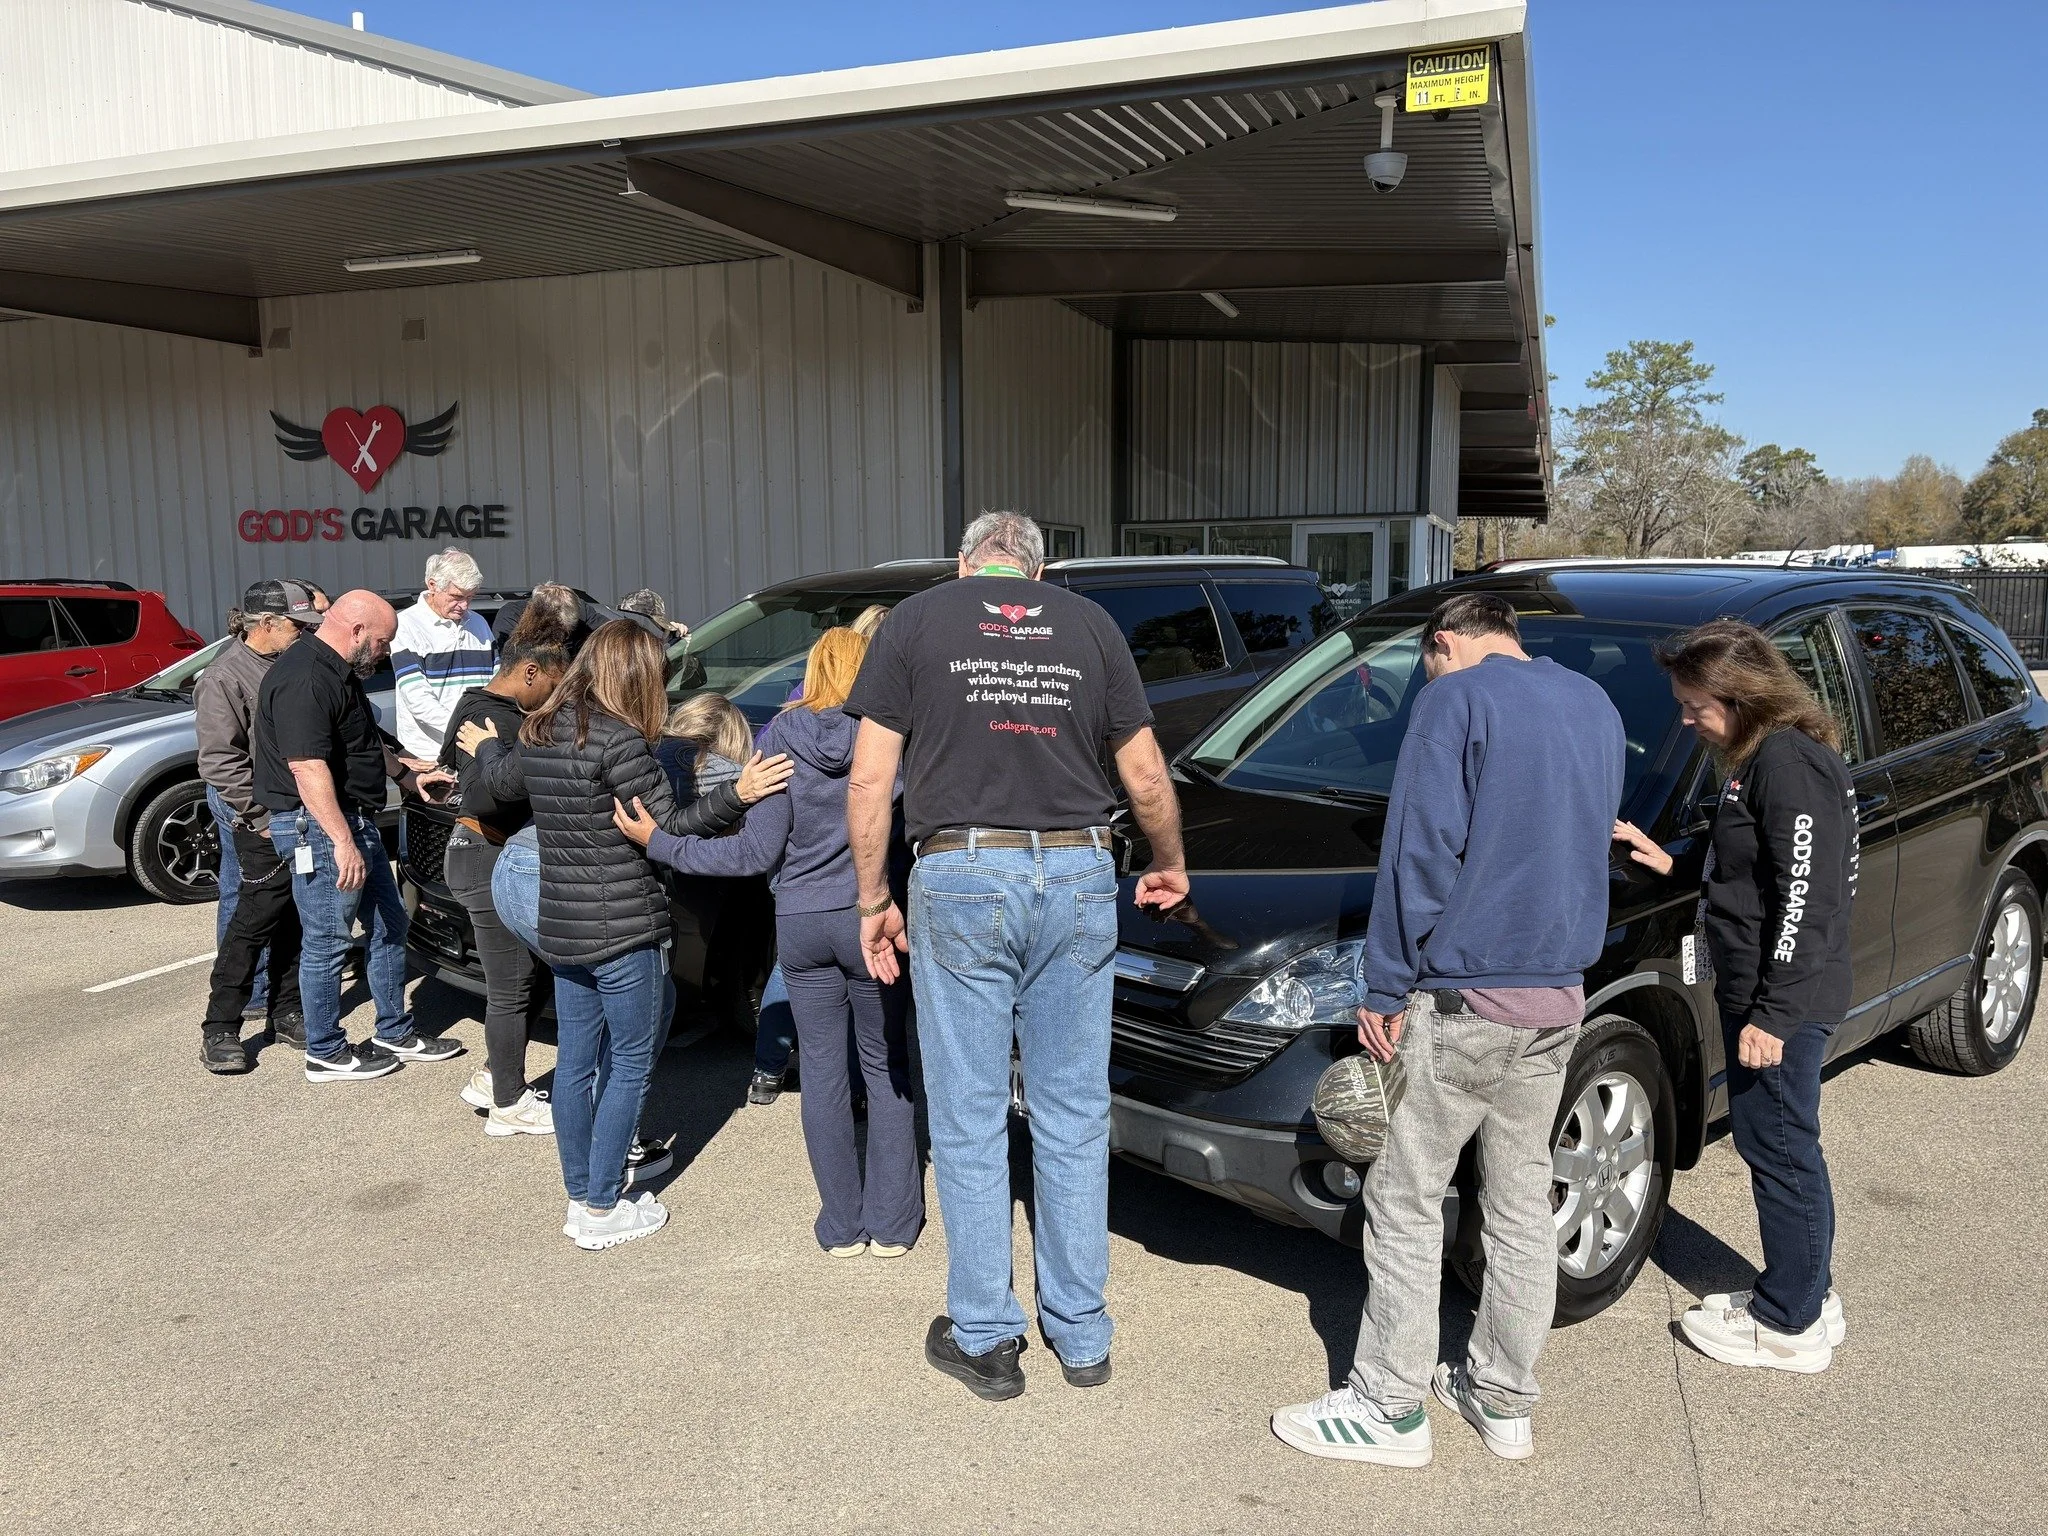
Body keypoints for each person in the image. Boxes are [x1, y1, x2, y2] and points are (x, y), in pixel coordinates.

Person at [1271, 592, 1625, 1468]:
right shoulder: (1594, 703)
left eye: (1425, 661)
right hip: (1558, 997)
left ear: (1443, 645)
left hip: (1464, 995)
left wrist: (1385, 984)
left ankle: (1387, 1406)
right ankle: (1504, 1399)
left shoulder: (1453, 699)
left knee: (1404, 1198)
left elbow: (1419, 852)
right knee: (1517, 1203)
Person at [845, 510, 1188, 1400]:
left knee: (967, 1114)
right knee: (1073, 1111)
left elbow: (871, 777)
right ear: (1038, 574)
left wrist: (873, 898)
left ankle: (988, 1336)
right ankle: (1082, 1335)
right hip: (1077, 869)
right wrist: (1169, 862)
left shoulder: (917, 619)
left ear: (965, 565)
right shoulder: (1091, 625)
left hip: (960, 869)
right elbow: (1146, 775)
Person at [468, 620, 792, 1249]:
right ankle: (599, 1206)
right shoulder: (620, 741)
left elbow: (501, 782)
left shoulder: (538, 729)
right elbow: (669, 824)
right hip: (624, 928)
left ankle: (580, 1193)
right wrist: (740, 793)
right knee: (632, 1067)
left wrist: (486, 744)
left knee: (576, 1065)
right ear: (635, 674)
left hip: (563, 926)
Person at [620, 627, 921, 1258]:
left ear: (811, 672)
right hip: (873, 920)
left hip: (803, 927)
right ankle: (893, 1225)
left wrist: (661, 843)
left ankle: (841, 1227)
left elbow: (756, 851)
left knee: (823, 1074)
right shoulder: (891, 733)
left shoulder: (782, 737)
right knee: (886, 1067)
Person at [1614, 618, 1855, 1374]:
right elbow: (1750, 870)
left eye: (1695, 705)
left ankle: (1790, 1324)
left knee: (1780, 1151)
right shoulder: (1760, 759)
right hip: (1768, 992)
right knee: (1778, 1146)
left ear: (1740, 695)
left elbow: (1808, 900)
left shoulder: (1789, 763)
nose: (1687, 720)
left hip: (1782, 1001)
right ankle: (1806, 1291)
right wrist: (1674, 862)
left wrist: (1773, 1017)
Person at [257, 590, 462, 1082]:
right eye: (383, 641)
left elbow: (362, 740)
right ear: (355, 631)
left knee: (391, 925)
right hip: (321, 828)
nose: (387, 651)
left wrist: (407, 777)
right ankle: (325, 1051)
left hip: (353, 821)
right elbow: (306, 768)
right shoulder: (304, 677)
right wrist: (341, 841)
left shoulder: (339, 672)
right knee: (328, 942)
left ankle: (394, 1030)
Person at [438, 601, 576, 1135]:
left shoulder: (509, 716)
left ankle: (496, 1075)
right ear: (530, 671)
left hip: (499, 858)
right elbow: (483, 797)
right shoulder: (485, 716)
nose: (557, 695)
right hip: (483, 856)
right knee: (512, 986)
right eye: (554, 683)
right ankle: (508, 1104)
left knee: (534, 973)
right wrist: (502, 752)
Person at [193, 579, 321, 1071]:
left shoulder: (289, 661)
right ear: (266, 624)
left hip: (298, 810)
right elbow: (220, 761)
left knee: (294, 914)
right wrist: (263, 817)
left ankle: (285, 1011)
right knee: (253, 918)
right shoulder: (224, 676)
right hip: (259, 816)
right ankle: (221, 1026)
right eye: (296, 624)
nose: (304, 633)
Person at [392, 547, 494, 761]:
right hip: (429, 754)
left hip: (479, 747)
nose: (464, 605)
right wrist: (468, 731)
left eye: (470, 597)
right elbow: (417, 698)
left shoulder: (479, 623)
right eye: (457, 596)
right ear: (432, 585)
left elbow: (496, 683)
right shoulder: (406, 624)